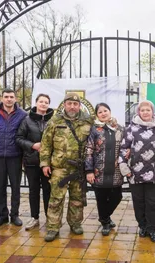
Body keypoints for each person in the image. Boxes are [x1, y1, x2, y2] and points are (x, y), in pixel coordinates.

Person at [40, 92, 93, 242]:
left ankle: (75, 223)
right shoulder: (55, 121)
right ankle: (52, 227)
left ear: (79, 106)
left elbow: (99, 133)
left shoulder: (87, 121)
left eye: (75, 104)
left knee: (77, 199)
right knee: (56, 198)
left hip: (79, 168)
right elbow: (45, 144)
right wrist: (44, 163)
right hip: (59, 168)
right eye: (69, 103)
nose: (72, 106)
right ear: (64, 105)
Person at [118, 100, 155, 243]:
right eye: (142, 110)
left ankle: (152, 228)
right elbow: (123, 148)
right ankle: (142, 226)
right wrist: (124, 166)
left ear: (153, 112)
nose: (145, 112)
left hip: (154, 172)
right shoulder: (131, 129)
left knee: (153, 202)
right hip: (135, 173)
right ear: (138, 112)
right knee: (138, 202)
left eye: (148, 110)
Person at [0, 88, 27, 228]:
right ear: (1, 98)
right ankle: (2, 216)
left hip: (15, 155)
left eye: (11, 97)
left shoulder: (22, 114)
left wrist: (23, 156)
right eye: (6, 96)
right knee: (1, 187)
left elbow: (24, 135)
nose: (9, 99)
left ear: (15, 99)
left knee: (16, 187)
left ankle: (14, 215)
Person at [16, 94, 54, 230]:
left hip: (49, 163)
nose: (43, 104)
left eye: (46, 102)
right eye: (41, 101)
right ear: (36, 103)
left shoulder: (54, 120)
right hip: (31, 161)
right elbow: (19, 138)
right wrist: (32, 145)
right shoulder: (27, 120)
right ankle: (35, 218)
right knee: (34, 190)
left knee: (48, 190)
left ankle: (50, 218)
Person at [85, 103, 124, 236]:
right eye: (100, 112)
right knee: (101, 198)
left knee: (117, 196)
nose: (103, 113)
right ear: (97, 115)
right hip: (99, 171)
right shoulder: (95, 130)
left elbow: (125, 148)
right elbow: (89, 150)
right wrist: (89, 170)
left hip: (116, 170)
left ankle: (104, 216)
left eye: (105, 110)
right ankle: (105, 223)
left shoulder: (119, 129)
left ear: (110, 111)